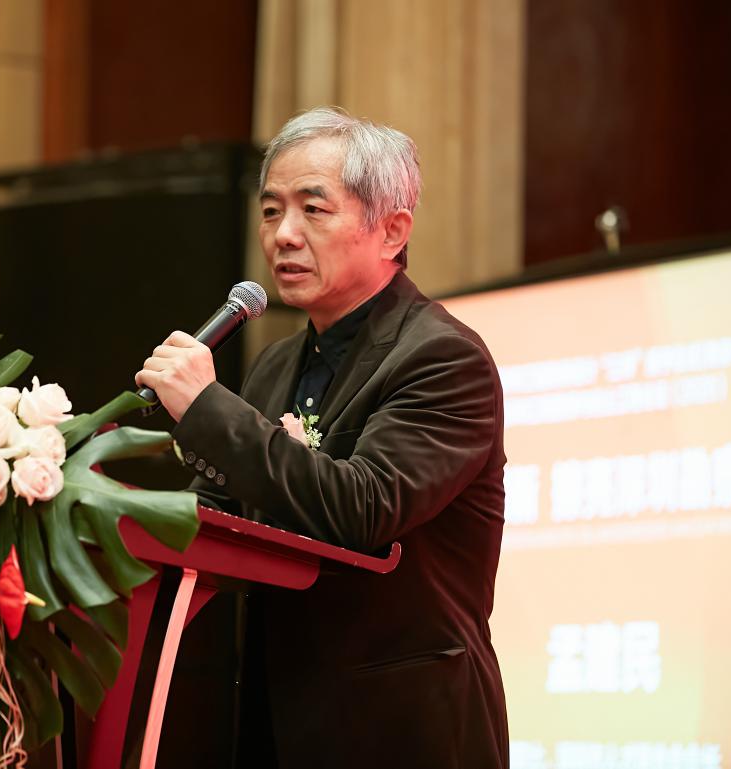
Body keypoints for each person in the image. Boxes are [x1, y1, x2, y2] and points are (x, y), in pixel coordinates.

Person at [135, 107, 508, 769]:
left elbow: (360, 509)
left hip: (401, 729)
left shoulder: (443, 359)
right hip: (273, 721)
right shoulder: (275, 364)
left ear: (391, 231)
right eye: (271, 210)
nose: (283, 234)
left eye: (313, 209)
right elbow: (224, 515)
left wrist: (208, 409)